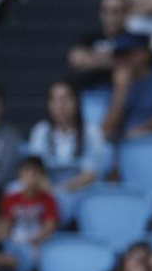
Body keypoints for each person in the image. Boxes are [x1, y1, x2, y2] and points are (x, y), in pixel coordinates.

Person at [26, 79, 110, 219]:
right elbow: (35, 170)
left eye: (65, 99)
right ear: (50, 105)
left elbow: (90, 174)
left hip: (80, 190)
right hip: (47, 188)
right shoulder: (40, 131)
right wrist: (51, 191)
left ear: (76, 102)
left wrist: (62, 191)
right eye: (56, 100)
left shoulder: (92, 132)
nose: (61, 105)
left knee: (67, 201)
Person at [67, 0, 132, 90]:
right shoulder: (89, 37)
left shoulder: (136, 39)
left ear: (126, 13)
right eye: (105, 11)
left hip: (122, 93)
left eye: (115, 12)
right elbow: (76, 59)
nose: (110, 17)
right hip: (88, 91)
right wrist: (112, 61)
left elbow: (131, 64)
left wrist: (92, 58)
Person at [0, 156, 60, 253]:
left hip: (40, 243)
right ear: (20, 175)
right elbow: (6, 225)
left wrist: (34, 240)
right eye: (27, 173)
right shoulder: (10, 199)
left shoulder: (49, 200)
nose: (31, 178)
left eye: (35, 174)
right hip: (16, 242)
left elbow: (49, 226)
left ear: (41, 176)